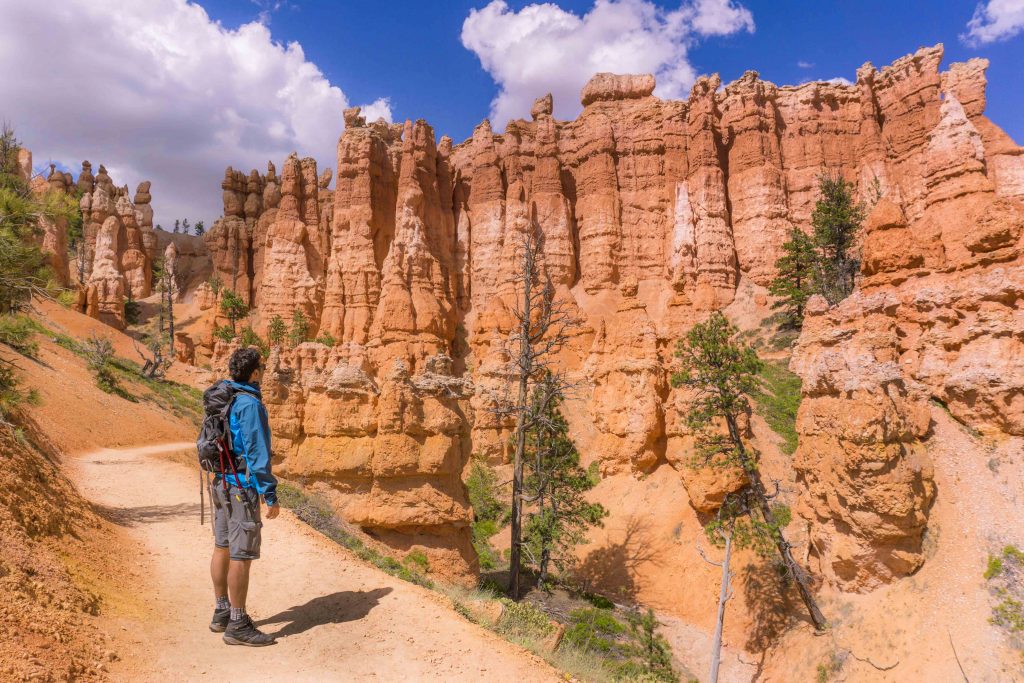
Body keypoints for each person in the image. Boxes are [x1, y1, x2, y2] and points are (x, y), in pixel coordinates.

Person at [209, 347, 279, 646]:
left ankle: (221, 611)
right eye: (260, 368)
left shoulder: (225, 395)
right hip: (240, 488)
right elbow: (256, 451)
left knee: (222, 546)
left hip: (220, 483)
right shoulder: (249, 404)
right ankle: (238, 623)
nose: (262, 372)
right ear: (253, 372)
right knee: (242, 554)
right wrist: (269, 494)